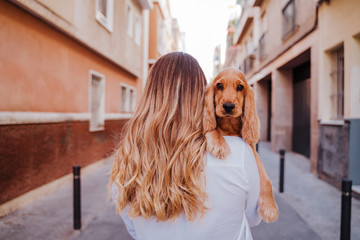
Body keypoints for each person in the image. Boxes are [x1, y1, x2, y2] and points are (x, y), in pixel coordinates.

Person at [109, 52, 261, 240]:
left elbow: (134, 229)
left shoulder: (128, 160)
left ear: (149, 96)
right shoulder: (238, 153)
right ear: (203, 96)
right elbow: (254, 216)